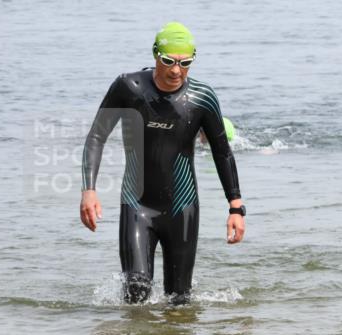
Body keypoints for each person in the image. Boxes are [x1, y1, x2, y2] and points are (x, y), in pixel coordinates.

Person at [80, 22, 246, 305]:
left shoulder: (202, 98)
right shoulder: (129, 88)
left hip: (182, 208)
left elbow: (222, 152)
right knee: (135, 293)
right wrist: (89, 190)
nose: (176, 70)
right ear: (156, 55)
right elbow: (97, 136)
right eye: (168, 61)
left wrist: (235, 207)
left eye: (185, 63)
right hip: (137, 205)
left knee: (179, 302)